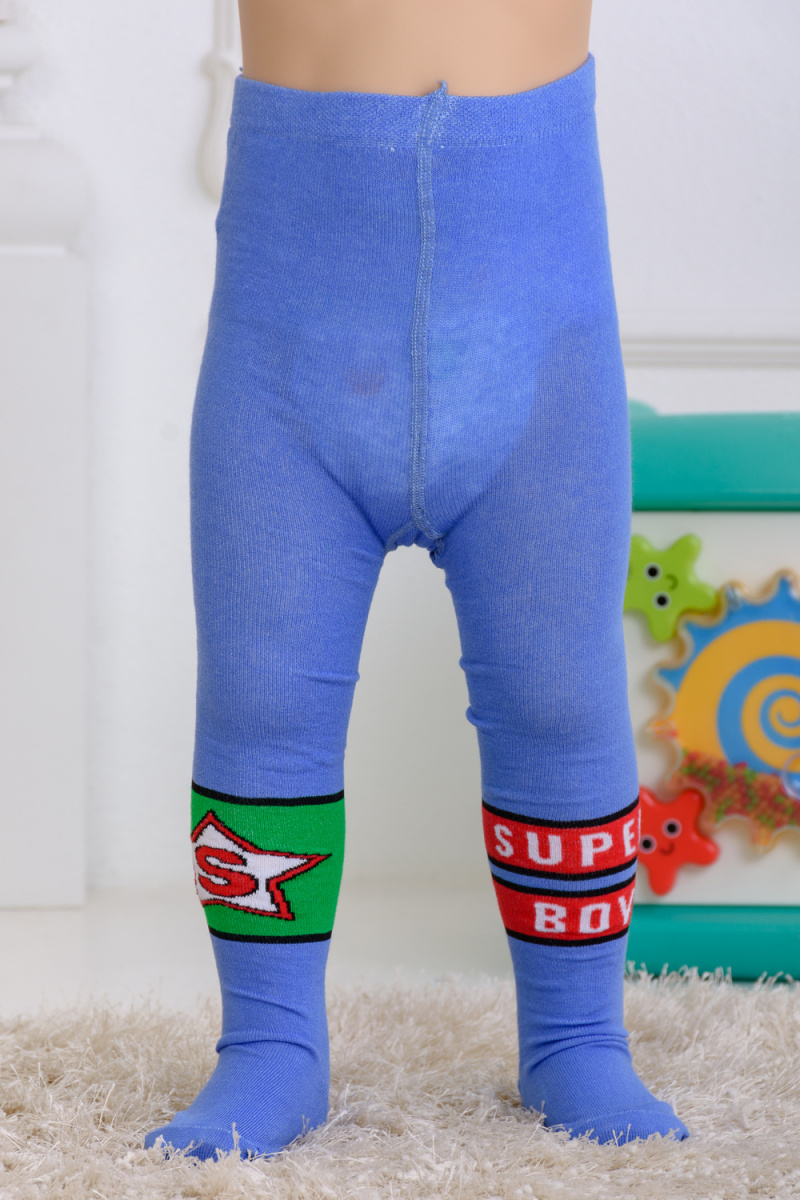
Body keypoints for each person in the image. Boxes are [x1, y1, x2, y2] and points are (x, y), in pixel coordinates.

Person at [146, 0, 689, 1160]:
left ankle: (576, 1036)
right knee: (260, 704)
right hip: (287, 339)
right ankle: (269, 1043)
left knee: (559, 700)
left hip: (533, 322)